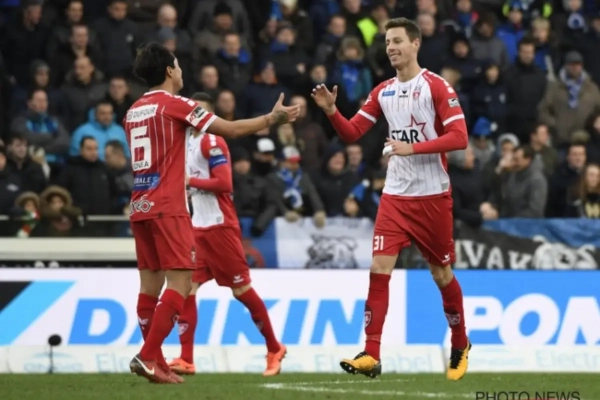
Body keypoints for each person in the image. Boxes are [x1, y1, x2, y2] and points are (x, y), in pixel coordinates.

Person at [125, 43, 299, 385]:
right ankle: (150, 356)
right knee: (180, 285)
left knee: (150, 287)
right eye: (177, 64)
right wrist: (271, 119)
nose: (180, 70)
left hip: (142, 205)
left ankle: (159, 360)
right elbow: (231, 129)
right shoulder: (177, 105)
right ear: (170, 71)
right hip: (170, 209)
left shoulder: (133, 111)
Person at [311, 17, 470, 381]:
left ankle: (460, 343)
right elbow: (352, 132)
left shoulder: (436, 86)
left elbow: (460, 137)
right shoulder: (383, 91)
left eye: (397, 41)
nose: (391, 47)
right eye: (387, 43)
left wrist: (412, 148)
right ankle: (371, 353)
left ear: (415, 44)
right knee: (379, 269)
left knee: (441, 273)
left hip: (432, 196)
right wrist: (332, 111)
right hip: (396, 196)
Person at [168, 92, 286, 377]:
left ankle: (274, 347)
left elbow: (224, 183)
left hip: (220, 227)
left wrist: (189, 181)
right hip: (198, 227)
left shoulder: (213, 141)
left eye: (201, 111)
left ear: (210, 116)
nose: (195, 115)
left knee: (241, 290)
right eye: (193, 110)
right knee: (187, 289)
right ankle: (186, 358)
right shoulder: (186, 142)